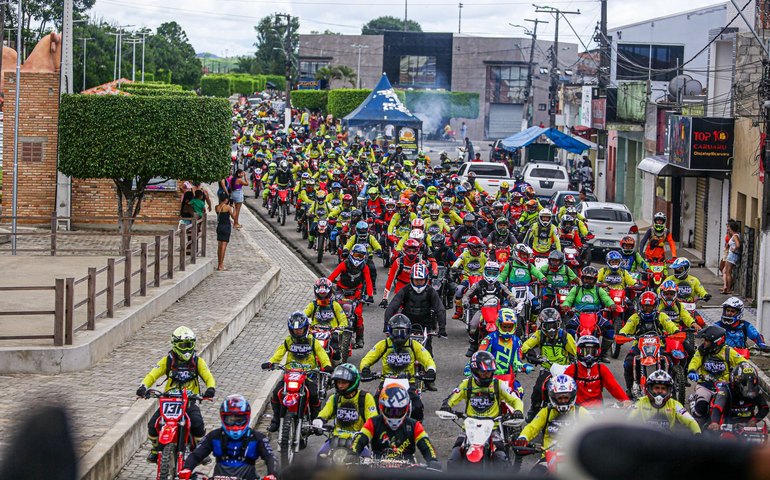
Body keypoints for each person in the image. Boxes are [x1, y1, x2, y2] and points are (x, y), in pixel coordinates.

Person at [136, 326, 216, 462]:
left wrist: (210, 388)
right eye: (183, 345)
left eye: (189, 345)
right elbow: (152, 375)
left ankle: (198, 450)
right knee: (152, 425)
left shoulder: (198, 362)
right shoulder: (167, 360)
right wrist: (143, 386)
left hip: (189, 400)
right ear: (175, 345)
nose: (187, 349)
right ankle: (155, 449)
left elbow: (208, 377)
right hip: (169, 400)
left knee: (197, 424)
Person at [441, 351, 525, 467]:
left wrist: (518, 411)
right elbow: (452, 398)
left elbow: (515, 400)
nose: (487, 375)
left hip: (493, 428)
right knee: (454, 459)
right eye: (483, 372)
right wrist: (446, 406)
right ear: (475, 371)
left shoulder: (498, 384)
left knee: (501, 460)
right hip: (469, 428)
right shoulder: (466, 384)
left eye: (489, 372)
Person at [262, 312, 333, 433]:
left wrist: (327, 365)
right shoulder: (288, 341)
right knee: (276, 392)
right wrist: (271, 362)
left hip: (308, 375)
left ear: (305, 328)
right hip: (290, 374)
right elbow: (279, 353)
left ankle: (315, 421)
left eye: (300, 329)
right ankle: (276, 420)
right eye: (295, 330)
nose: (298, 332)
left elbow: (322, 354)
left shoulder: (312, 341)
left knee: (313, 394)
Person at [179, 395, 278, 480]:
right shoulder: (214, 436)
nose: (235, 425)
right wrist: (187, 468)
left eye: (239, 420)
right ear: (223, 418)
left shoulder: (257, 438)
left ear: (247, 418)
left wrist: (272, 474)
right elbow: (196, 454)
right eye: (230, 420)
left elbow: (270, 457)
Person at [359, 314, 437, 421]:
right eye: (396, 332)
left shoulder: (413, 345)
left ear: (408, 331)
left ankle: (416, 429)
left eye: (403, 332)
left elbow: (427, 359)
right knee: (374, 407)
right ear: (390, 331)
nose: (399, 336)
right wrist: (365, 369)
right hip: (386, 383)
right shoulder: (384, 344)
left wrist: (431, 370)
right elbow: (367, 359)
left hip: (409, 384)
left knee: (417, 408)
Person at [350, 385, 441, 470]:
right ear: (382, 407)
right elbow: (360, 439)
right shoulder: (372, 422)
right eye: (390, 411)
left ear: (406, 409)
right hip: (377, 470)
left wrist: (432, 459)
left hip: (408, 470)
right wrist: (352, 454)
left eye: (398, 411)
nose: (394, 415)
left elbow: (426, 445)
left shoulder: (415, 425)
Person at [514, 375, 592, 474]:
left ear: (572, 396)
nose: (563, 401)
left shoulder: (580, 412)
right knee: (535, 474)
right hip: (548, 460)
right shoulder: (546, 411)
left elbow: (594, 430)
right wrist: (523, 437)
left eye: (566, 397)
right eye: (560, 398)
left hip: (575, 459)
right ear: (553, 397)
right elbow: (532, 427)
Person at [520, 308, 577, 422]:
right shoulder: (539, 335)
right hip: (547, 368)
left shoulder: (565, 336)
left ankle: (578, 410)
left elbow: (576, 351)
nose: (551, 329)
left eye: (553, 325)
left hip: (565, 369)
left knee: (575, 388)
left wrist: (577, 360)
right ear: (542, 326)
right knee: (537, 389)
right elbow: (525, 346)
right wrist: (530, 353)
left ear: (559, 324)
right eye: (547, 326)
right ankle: (533, 409)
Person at [618, 291, 679, 395]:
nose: (647, 309)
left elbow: (670, 325)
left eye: (650, 306)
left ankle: (670, 386)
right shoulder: (635, 317)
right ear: (641, 306)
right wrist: (622, 334)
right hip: (638, 346)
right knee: (628, 363)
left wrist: (676, 331)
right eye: (645, 306)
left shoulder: (661, 316)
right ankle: (629, 388)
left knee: (669, 361)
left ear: (655, 306)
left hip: (658, 346)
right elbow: (627, 327)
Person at [383, 263, 447, 363]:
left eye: (421, 280)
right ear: (412, 279)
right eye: (416, 279)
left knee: (428, 355)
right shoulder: (405, 290)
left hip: (425, 325)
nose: (419, 282)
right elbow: (392, 307)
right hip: (406, 324)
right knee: (397, 352)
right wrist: (386, 326)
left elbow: (440, 309)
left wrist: (442, 328)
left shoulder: (431, 291)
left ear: (426, 279)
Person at [687, 325, 747, 424]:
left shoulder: (728, 351)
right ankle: (695, 408)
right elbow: (695, 361)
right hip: (705, 385)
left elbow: (742, 362)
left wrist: (745, 371)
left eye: (707, 341)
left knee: (735, 408)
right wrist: (692, 371)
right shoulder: (702, 351)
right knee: (701, 409)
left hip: (725, 387)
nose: (704, 343)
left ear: (717, 342)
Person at [313, 364, 378, 455]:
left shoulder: (366, 398)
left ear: (352, 382)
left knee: (367, 458)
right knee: (320, 455)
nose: (340, 386)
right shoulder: (335, 398)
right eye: (338, 382)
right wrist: (319, 420)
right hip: (336, 440)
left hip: (358, 441)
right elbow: (325, 412)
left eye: (344, 382)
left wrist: (366, 433)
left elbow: (372, 419)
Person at [562, 265, 617, 361]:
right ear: (582, 278)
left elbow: (606, 298)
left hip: (596, 315)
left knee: (610, 330)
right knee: (569, 329)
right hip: (579, 315)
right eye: (586, 278)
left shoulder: (598, 290)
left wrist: (611, 304)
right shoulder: (576, 289)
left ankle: (602, 354)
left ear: (595, 280)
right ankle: (572, 353)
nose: (588, 281)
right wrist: (566, 305)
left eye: (590, 279)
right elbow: (569, 299)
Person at [461, 261, 516, 357]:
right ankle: (473, 346)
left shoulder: (500, 286)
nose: (491, 275)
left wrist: (514, 301)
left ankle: (511, 346)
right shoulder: (478, 285)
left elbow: (510, 295)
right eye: (489, 273)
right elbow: (467, 295)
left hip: (498, 311)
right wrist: (465, 302)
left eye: (494, 273)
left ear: (498, 273)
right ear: (485, 272)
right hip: (482, 310)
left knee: (509, 325)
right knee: (473, 325)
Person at [328, 244, 375, 349]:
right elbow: (332, 276)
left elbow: (368, 281)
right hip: (341, 291)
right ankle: (329, 335)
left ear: (364, 257)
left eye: (360, 256)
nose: (357, 258)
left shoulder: (365, 267)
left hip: (356, 293)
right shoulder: (344, 264)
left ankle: (360, 338)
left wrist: (370, 295)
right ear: (351, 254)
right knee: (334, 311)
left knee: (358, 315)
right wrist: (326, 286)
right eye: (356, 255)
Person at [564, 335, 631, 409]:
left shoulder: (601, 369)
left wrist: (625, 399)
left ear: (597, 352)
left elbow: (614, 387)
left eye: (592, 352)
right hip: (578, 410)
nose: (589, 356)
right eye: (586, 352)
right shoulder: (572, 369)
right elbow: (562, 389)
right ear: (579, 351)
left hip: (599, 410)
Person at [629, 370, 701, 434]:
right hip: (644, 440)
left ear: (669, 390)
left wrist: (698, 434)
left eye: (663, 388)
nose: (660, 391)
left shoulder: (675, 404)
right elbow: (629, 418)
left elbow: (690, 421)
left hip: (668, 441)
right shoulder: (640, 402)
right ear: (649, 388)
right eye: (656, 388)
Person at [708, 363, 769, 430]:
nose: (749, 387)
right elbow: (717, 407)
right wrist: (715, 422)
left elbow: (765, 408)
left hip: (748, 427)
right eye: (745, 383)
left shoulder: (756, 390)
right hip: (728, 426)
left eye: (751, 382)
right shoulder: (725, 390)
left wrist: (754, 419)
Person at [215, 192, 234, 271]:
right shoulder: (228, 207)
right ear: (226, 199)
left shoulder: (216, 207)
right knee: (223, 246)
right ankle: (221, 264)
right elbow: (234, 217)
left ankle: (219, 263)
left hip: (219, 226)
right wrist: (234, 208)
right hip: (226, 227)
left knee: (219, 245)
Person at [722, 220, 741, 294]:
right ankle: (727, 288)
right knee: (727, 272)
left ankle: (729, 289)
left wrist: (734, 249)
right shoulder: (734, 235)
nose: (728, 229)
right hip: (731, 255)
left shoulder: (735, 236)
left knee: (728, 272)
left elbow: (738, 245)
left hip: (732, 256)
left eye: (729, 228)